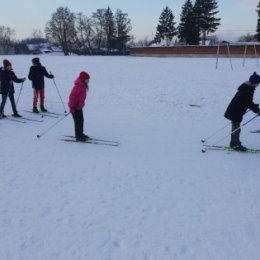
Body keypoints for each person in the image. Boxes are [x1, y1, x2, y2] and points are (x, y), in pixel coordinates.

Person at [224, 72, 260, 151]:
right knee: (236, 128)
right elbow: (248, 103)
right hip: (235, 112)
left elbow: (246, 102)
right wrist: (257, 110)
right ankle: (234, 144)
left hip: (235, 110)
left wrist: (254, 106)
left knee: (236, 128)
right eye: (258, 83)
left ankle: (235, 142)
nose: (258, 85)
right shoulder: (248, 90)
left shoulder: (247, 88)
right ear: (254, 83)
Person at [68, 71, 90, 141]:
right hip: (74, 108)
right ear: (83, 79)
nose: (88, 81)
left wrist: (80, 105)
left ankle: (81, 133)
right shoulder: (77, 87)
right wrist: (72, 107)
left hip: (79, 107)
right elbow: (72, 97)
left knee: (81, 120)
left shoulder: (83, 86)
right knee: (77, 122)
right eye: (87, 79)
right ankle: (78, 136)